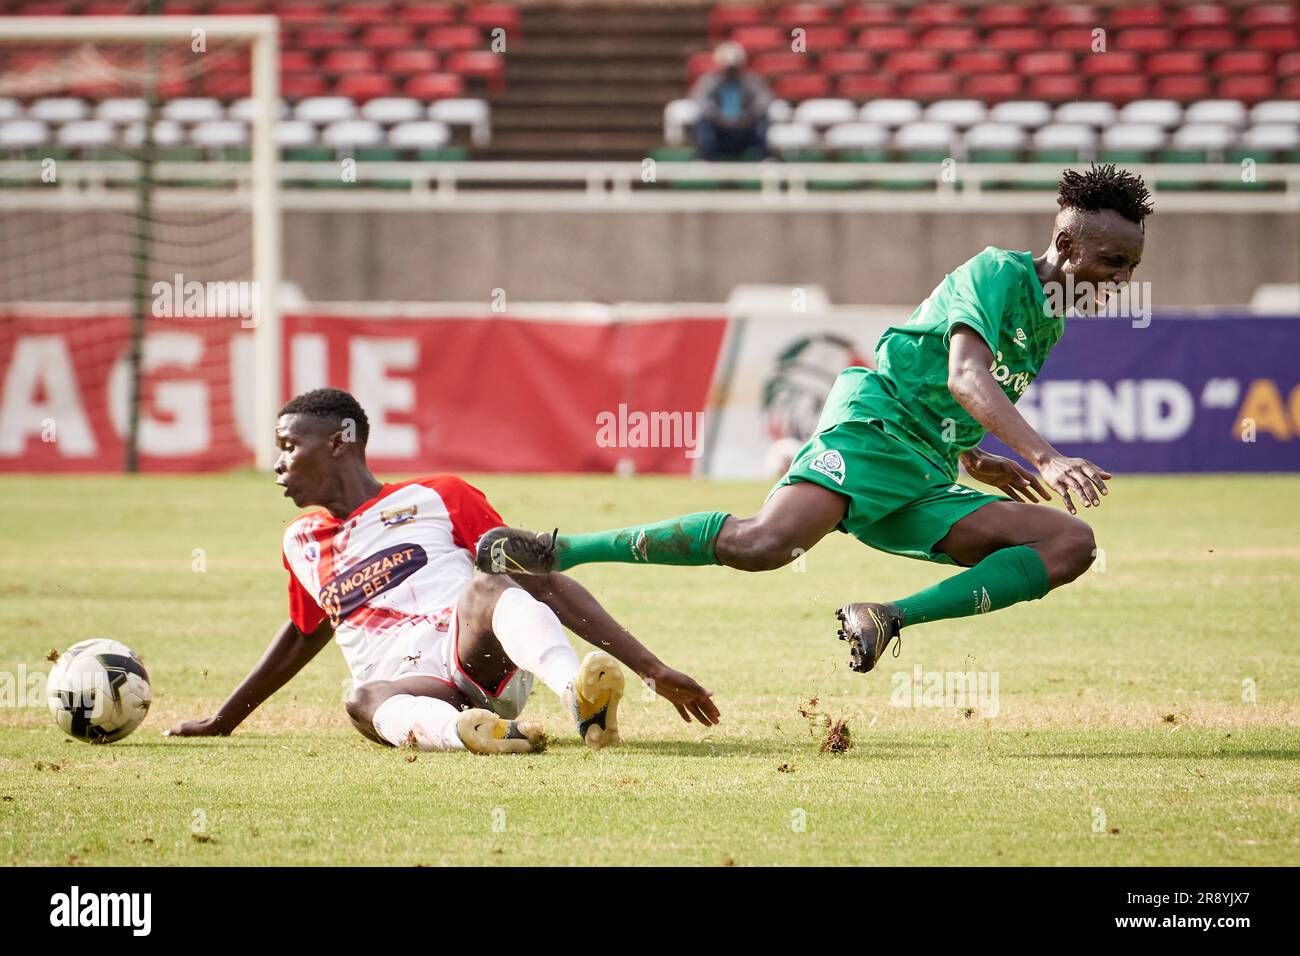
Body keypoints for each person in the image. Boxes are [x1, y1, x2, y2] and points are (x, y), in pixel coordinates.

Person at [474, 165, 1153, 675]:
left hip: (925, 470)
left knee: (1069, 543)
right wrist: (1047, 457)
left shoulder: (1052, 320)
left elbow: (962, 394)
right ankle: (558, 551)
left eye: (1130, 266)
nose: (1120, 279)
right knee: (766, 545)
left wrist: (975, 456)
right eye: (1112, 261)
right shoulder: (998, 274)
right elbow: (964, 374)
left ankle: (885, 618)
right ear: (1066, 244)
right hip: (875, 428)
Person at [167, 388, 720, 754]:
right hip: (412, 687)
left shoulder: (439, 496)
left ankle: (577, 697)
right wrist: (224, 720)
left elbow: (539, 582)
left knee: (491, 582)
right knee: (360, 699)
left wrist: (650, 668)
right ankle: (477, 736)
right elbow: (302, 634)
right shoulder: (300, 542)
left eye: (290, 446)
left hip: (476, 654)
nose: (278, 463)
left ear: (339, 442)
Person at [690, 41, 772, 160]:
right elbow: (701, 101)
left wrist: (748, 116)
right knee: (702, 121)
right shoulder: (708, 81)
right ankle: (704, 158)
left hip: (747, 129)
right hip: (719, 131)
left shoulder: (752, 80)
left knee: (763, 119)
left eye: (734, 67)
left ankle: (764, 157)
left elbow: (764, 100)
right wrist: (719, 117)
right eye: (727, 67)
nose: (730, 71)